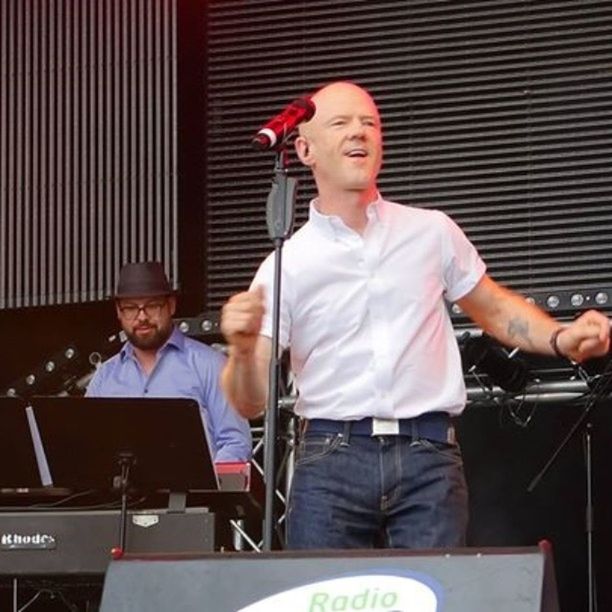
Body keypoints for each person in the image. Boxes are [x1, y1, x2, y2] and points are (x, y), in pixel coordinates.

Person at [220, 81, 610, 549]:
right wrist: (241, 351)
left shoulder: (431, 231)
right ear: (304, 149)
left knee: (433, 595)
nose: (359, 133)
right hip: (330, 459)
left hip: (428, 453)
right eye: (341, 123)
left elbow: (493, 307)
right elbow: (247, 403)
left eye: (370, 123)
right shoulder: (286, 263)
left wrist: (559, 339)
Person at [87, 261, 252, 463]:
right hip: (120, 494)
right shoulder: (104, 377)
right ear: (119, 312)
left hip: (192, 493)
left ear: (171, 305)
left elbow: (235, 443)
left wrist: (209, 487)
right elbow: (88, 448)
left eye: (152, 306)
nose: (142, 317)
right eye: (130, 308)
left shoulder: (212, 365)